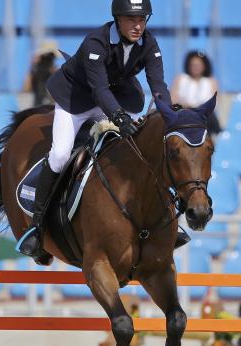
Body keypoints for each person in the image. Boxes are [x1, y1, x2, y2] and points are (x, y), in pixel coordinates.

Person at [17, 0, 190, 259]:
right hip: (76, 101)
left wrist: (167, 113)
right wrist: (119, 118)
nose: (138, 25)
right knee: (61, 154)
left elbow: (157, 83)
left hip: (115, 98)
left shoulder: (149, 43)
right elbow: (98, 89)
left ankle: (165, 221)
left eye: (142, 19)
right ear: (118, 19)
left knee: (142, 150)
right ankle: (37, 228)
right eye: (132, 19)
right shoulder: (95, 42)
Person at [171, 51, 221, 134]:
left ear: (204, 66)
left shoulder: (211, 81)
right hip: (184, 113)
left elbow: (214, 103)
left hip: (204, 116)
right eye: (193, 65)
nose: (195, 67)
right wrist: (187, 106)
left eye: (198, 65)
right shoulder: (180, 79)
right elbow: (173, 100)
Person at [23, 40, 60, 106]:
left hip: (45, 98)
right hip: (39, 96)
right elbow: (27, 87)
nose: (48, 59)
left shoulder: (52, 69)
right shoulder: (36, 69)